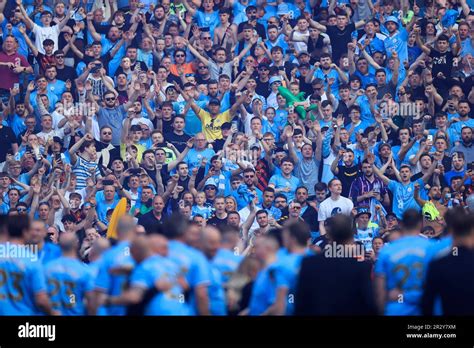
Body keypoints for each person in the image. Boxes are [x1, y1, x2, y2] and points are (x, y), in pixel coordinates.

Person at [295, 214, 377, 315]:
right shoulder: (362, 266)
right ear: (350, 234)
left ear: (329, 233)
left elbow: (302, 301)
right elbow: (368, 302)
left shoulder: (309, 263)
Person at [374, 209, 432, 315]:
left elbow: (380, 290)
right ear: (420, 224)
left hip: (396, 309)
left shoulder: (386, 251)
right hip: (425, 308)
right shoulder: (432, 248)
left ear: (402, 224)